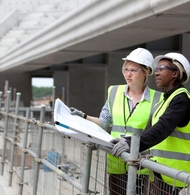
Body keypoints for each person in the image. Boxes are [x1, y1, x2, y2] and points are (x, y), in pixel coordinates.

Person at [70, 48, 163, 195]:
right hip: (117, 163)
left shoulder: (158, 99)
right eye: (126, 69)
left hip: (141, 167)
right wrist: (83, 116)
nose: (128, 74)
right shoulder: (114, 92)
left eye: (134, 70)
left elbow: (158, 133)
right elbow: (103, 122)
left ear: (146, 71)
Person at [110, 52, 190, 195]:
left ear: (175, 74)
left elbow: (162, 128)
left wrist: (132, 144)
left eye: (161, 68)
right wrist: (127, 141)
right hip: (160, 171)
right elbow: (152, 131)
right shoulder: (166, 99)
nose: (156, 73)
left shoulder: (181, 99)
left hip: (172, 173)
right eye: (156, 69)